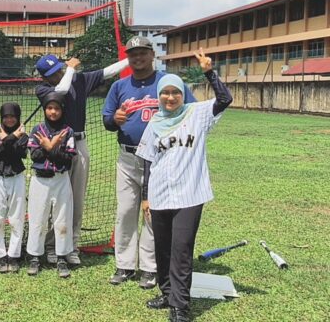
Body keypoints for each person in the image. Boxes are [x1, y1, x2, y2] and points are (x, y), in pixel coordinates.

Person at [137, 49, 232, 322]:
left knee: (181, 250)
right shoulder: (154, 124)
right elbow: (147, 162)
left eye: (175, 92)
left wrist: (208, 72)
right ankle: (166, 294)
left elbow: (225, 99)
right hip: (160, 194)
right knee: (163, 248)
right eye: (165, 93)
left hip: (190, 194)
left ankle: (180, 307)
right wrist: (145, 197)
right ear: (159, 96)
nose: (170, 97)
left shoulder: (197, 113)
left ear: (182, 94)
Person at [102, 36, 196, 288]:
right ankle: (124, 264)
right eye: (133, 54)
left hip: (161, 159)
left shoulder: (167, 82)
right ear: (128, 58)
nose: (138, 58)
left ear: (152, 55)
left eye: (143, 53)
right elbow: (107, 120)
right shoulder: (119, 87)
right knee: (125, 211)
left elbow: (192, 112)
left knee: (153, 213)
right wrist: (116, 119)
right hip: (128, 156)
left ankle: (150, 267)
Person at [35, 54, 128, 266]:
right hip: (56, 144)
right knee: (56, 199)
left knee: (77, 199)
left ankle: (71, 247)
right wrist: (69, 69)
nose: (58, 75)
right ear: (44, 78)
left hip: (79, 143)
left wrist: (130, 59)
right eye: (52, 74)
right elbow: (62, 91)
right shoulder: (44, 90)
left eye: (59, 70)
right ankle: (51, 246)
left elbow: (108, 71)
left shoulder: (79, 79)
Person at [26, 91, 77, 278]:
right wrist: (50, 147)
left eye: (56, 108)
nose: (53, 112)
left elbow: (68, 160)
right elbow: (35, 155)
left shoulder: (68, 131)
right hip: (40, 180)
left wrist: (49, 147)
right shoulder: (37, 129)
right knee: (37, 219)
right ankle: (34, 257)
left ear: (62, 110)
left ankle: (62, 257)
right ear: (45, 109)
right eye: (49, 108)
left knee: (62, 220)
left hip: (61, 179)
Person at [0, 102, 28, 274]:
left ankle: (13, 255)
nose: (10, 119)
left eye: (13, 116)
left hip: (17, 177)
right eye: (6, 116)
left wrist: (7, 141)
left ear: (18, 118)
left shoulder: (24, 136)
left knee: (16, 218)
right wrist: (11, 139)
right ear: (1, 118)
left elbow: (19, 154)